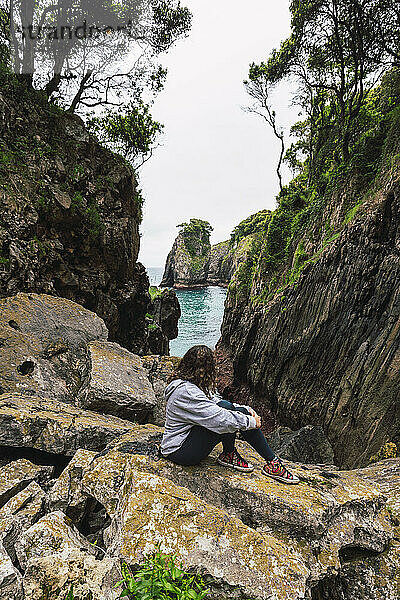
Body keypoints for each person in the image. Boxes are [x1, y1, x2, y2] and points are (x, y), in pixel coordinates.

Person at [160, 345, 299, 484]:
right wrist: (250, 422)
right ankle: (272, 463)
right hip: (180, 451)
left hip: (186, 440)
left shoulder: (188, 384)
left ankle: (230, 454)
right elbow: (218, 419)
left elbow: (214, 402)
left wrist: (245, 409)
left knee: (227, 408)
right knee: (226, 417)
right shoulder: (186, 392)